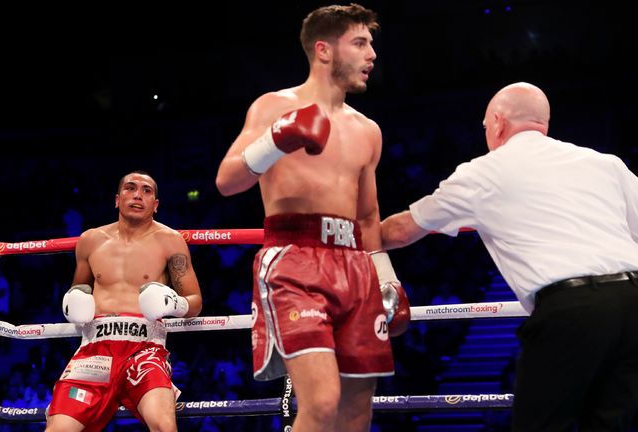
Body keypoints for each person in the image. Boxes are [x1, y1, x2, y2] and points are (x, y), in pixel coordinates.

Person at [378, 82, 638, 431]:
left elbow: (401, 231)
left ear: (498, 122)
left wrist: (345, 233)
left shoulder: (484, 171)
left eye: (485, 127)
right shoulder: (604, 163)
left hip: (572, 310)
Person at [215, 4, 410, 431]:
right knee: (321, 403)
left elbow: (369, 213)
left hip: (355, 265)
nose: (372, 54)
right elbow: (227, 181)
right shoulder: (274, 107)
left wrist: (386, 275)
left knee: (357, 412)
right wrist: (276, 140)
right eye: (360, 43)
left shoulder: (367, 130)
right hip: (295, 258)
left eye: (371, 43)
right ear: (323, 50)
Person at [46, 171, 203, 432]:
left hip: (146, 350)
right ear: (117, 200)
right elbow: (79, 289)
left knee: (164, 425)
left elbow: (195, 301)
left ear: (156, 205)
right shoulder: (90, 240)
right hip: (94, 351)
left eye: (147, 190)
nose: (138, 194)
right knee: (58, 429)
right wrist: (75, 300)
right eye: (131, 188)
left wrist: (174, 304)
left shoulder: (170, 241)